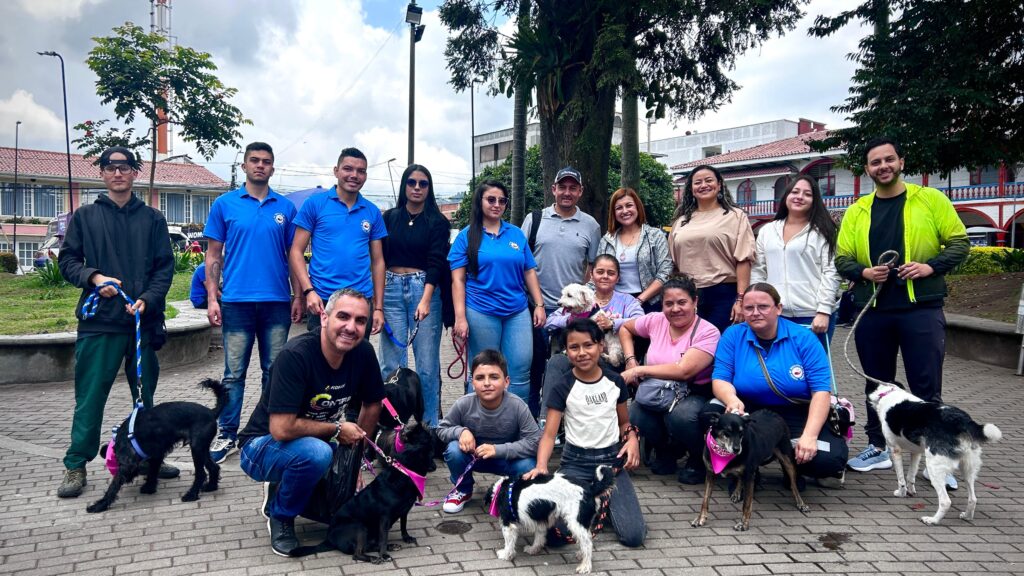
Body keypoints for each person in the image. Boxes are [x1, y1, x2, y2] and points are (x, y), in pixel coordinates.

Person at [837, 137, 969, 485]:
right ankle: (878, 446)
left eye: (888, 160)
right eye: (875, 162)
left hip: (920, 308)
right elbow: (842, 258)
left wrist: (930, 267)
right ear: (867, 169)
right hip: (874, 309)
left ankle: (936, 456)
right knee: (876, 385)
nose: (883, 166)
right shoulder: (857, 210)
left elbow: (959, 243)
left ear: (901, 162)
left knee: (926, 384)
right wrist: (864, 272)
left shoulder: (930, 199)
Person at [56, 146, 177, 498]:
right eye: (111, 167)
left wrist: (148, 300)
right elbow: (68, 262)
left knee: (146, 399)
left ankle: (149, 457)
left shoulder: (153, 219)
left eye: (125, 167)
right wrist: (94, 278)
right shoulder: (85, 217)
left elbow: (164, 268)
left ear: (134, 173)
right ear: (103, 174)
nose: (118, 173)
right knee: (90, 398)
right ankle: (76, 465)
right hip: (100, 325)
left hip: (142, 324)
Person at [237, 288, 385, 556]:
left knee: (339, 506)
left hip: (309, 441)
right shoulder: (296, 355)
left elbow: (373, 403)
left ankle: (283, 487)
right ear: (324, 317)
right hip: (260, 446)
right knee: (317, 454)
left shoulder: (362, 353)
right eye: (343, 316)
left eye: (360, 320)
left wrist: (356, 461)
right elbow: (281, 429)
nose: (351, 327)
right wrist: (338, 429)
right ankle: (280, 516)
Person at [203, 142, 299, 464]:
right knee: (233, 374)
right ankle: (227, 433)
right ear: (244, 166)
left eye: (266, 162)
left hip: (276, 303)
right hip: (236, 303)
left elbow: (294, 256)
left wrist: (298, 295)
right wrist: (212, 296)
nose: (260, 165)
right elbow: (213, 254)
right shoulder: (225, 205)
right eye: (254, 161)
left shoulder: (285, 208)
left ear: (273, 168)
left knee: (274, 372)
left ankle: (267, 430)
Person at [708, 282, 848, 483]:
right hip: (750, 410)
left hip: (794, 411)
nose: (755, 313)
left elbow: (821, 392)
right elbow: (720, 378)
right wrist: (731, 399)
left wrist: (809, 436)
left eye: (763, 307)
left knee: (827, 460)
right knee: (707, 413)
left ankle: (790, 465)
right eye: (749, 308)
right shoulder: (732, 335)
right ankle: (746, 467)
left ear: (779, 309)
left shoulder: (805, 338)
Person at [524, 318, 645, 547]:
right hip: (575, 463)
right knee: (554, 536)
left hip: (610, 463)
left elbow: (624, 423)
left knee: (633, 536)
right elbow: (549, 435)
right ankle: (592, 503)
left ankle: (600, 504)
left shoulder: (615, 382)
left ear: (601, 346)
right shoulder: (562, 386)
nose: (582, 353)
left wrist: (632, 438)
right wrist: (541, 466)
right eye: (574, 347)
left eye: (588, 345)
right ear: (566, 351)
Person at [449, 180, 545, 404]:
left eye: (502, 200)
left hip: (517, 311)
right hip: (480, 311)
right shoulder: (466, 236)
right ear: (480, 201)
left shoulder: (516, 234)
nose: (496, 204)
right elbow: (458, 279)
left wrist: (539, 305)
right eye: (491, 199)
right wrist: (460, 318)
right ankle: (475, 424)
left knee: (520, 370)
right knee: (483, 371)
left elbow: (529, 271)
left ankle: (516, 423)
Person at [618, 274, 720, 484]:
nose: (675, 309)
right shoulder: (656, 320)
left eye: (682, 302)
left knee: (681, 416)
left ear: (695, 302)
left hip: (693, 391)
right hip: (659, 390)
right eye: (669, 304)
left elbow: (684, 371)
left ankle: (698, 458)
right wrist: (630, 360)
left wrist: (639, 370)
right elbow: (625, 328)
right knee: (636, 412)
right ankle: (667, 452)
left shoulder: (708, 332)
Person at [520, 166, 602, 416]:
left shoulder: (591, 225)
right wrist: (535, 303)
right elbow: (521, 261)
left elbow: (593, 266)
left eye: (573, 188)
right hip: (536, 307)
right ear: (553, 189)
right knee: (533, 368)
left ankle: (564, 423)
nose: (567, 192)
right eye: (562, 187)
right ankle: (532, 420)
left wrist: (583, 304)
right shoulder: (534, 219)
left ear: (580, 191)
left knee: (568, 367)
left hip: (573, 313)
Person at [379, 164, 451, 427]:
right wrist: (377, 304)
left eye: (423, 183)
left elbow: (436, 262)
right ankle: (391, 429)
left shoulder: (438, 221)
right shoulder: (389, 218)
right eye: (412, 182)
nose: (417, 188)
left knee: (427, 367)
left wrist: (425, 299)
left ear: (429, 188)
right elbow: (379, 259)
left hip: (425, 289)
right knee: (391, 365)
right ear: (404, 186)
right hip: (391, 289)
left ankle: (429, 428)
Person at [290, 147, 386, 335]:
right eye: (348, 169)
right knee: (319, 360)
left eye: (361, 171)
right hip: (323, 299)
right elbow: (295, 251)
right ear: (336, 171)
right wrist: (308, 292)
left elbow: (378, 261)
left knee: (356, 361)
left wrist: (378, 308)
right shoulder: (315, 204)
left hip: (360, 300)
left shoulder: (372, 211)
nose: (354, 175)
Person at [436, 349, 541, 514]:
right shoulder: (464, 404)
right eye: (480, 378)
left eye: (494, 377)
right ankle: (463, 490)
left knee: (529, 465)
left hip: (508, 460)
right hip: (474, 457)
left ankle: (512, 493)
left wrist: (498, 450)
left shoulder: (518, 406)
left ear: (506, 382)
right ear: (472, 383)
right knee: (453, 450)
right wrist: (461, 432)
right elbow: (442, 429)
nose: (486, 383)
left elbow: (535, 441)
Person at [751, 175, 841, 348]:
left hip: (813, 315)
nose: (800, 197)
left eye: (807, 194)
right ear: (786, 196)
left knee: (812, 370)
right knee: (780, 369)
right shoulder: (768, 230)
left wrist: (823, 310)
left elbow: (831, 272)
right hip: (775, 313)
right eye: (795, 192)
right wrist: (758, 304)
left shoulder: (823, 231)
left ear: (814, 200)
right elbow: (758, 270)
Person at [668, 165, 755, 333]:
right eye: (697, 182)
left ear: (720, 185)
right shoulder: (681, 222)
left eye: (709, 180)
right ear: (691, 189)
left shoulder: (735, 216)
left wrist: (741, 300)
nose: (703, 185)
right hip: (688, 295)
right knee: (691, 348)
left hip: (724, 294)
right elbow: (674, 264)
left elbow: (744, 259)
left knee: (719, 349)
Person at [598, 187, 673, 313]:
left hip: (650, 303)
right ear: (613, 213)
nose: (625, 211)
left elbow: (665, 272)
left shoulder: (655, 236)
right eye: (619, 208)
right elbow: (597, 273)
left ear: (637, 207)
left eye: (629, 205)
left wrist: (639, 300)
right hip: (614, 303)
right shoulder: (606, 240)